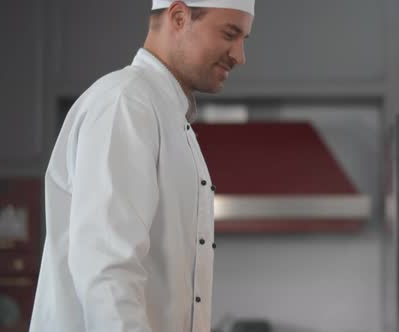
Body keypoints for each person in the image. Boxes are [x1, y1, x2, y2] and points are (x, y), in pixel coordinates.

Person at [29, 1, 254, 331]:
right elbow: (107, 269)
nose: (239, 55)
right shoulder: (126, 103)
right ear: (179, 17)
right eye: (229, 34)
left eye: (243, 39)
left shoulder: (168, 117)